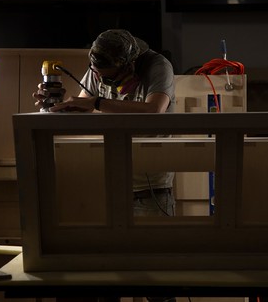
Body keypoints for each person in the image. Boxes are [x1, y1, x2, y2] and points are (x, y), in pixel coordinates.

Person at [33, 29, 176, 218]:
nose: (100, 80)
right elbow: (82, 105)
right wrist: (57, 103)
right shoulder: (98, 67)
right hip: (108, 184)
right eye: (97, 74)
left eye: (107, 78)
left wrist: (98, 102)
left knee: (152, 246)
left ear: (129, 65)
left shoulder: (157, 66)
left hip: (150, 189)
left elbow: (154, 109)